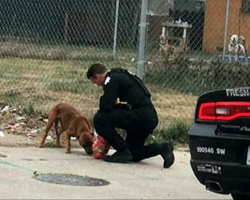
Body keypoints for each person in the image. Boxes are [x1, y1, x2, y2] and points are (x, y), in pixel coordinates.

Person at [86, 63, 175, 168]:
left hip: (140, 116)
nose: (98, 85)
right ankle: (163, 148)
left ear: (98, 75)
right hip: (148, 117)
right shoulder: (121, 75)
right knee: (133, 154)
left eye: (96, 82)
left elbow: (106, 106)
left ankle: (121, 150)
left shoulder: (111, 79)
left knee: (99, 118)